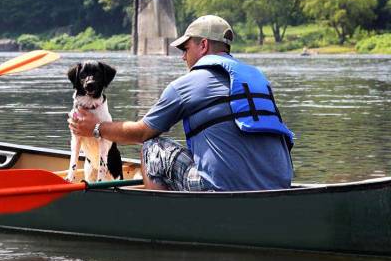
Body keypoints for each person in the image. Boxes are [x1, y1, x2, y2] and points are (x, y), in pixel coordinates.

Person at [68, 15, 294, 191]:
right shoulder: (258, 79)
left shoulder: (186, 85)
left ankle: (164, 218)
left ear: (203, 45)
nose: (182, 57)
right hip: (278, 183)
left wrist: (96, 128)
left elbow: (141, 133)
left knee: (152, 147)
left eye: (185, 49)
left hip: (221, 188)